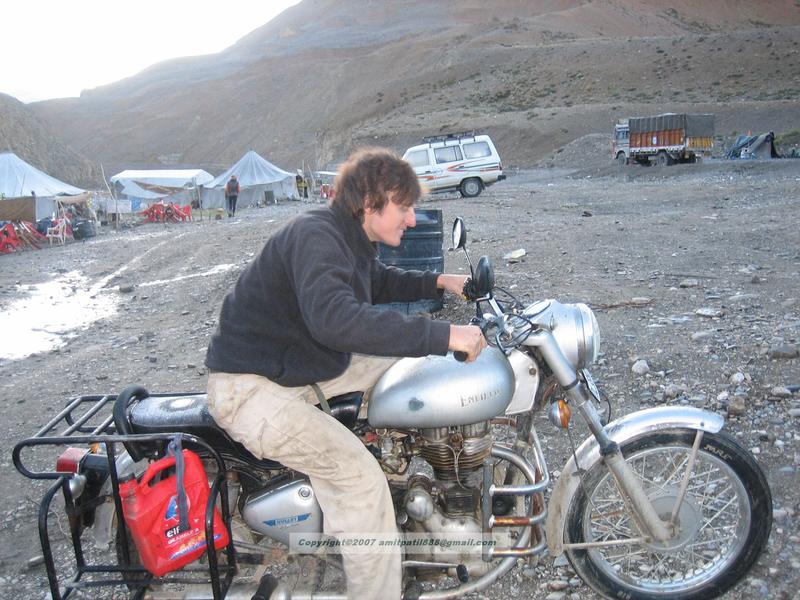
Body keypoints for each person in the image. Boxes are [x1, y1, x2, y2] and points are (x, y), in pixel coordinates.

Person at [205, 147, 486, 600]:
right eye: (404, 206)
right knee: (357, 479)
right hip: (249, 389)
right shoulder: (316, 235)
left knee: (414, 371)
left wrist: (439, 281)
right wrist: (444, 334)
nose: (412, 219)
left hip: (295, 368)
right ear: (371, 203)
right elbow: (335, 320)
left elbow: (376, 281)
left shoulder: (346, 236)